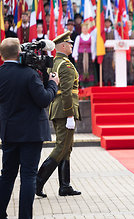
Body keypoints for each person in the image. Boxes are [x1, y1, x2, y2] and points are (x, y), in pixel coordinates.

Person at [0, 38, 58, 219]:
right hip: (32, 133)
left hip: (9, 132)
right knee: (28, 177)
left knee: (7, 175)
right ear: (19, 53)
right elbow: (43, 99)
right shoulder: (30, 74)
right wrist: (52, 84)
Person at [36, 31, 81, 198]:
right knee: (62, 147)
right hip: (65, 110)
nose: (71, 45)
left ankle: (65, 186)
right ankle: (38, 181)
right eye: (69, 43)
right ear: (62, 46)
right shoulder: (66, 66)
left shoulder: (54, 63)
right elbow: (68, 92)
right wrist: (70, 115)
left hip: (58, 108)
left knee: (66, 148)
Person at [103, 18, 120, 86]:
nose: (107, 24)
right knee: (105, 67)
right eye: (106, 22)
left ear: (110, 23)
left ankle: (112, 81)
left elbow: (116, 40)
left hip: (112, 52)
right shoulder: (103, 31)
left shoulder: (114, 31)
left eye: (108, 22)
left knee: (112, 67)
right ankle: (106, 81)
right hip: (104, 52)